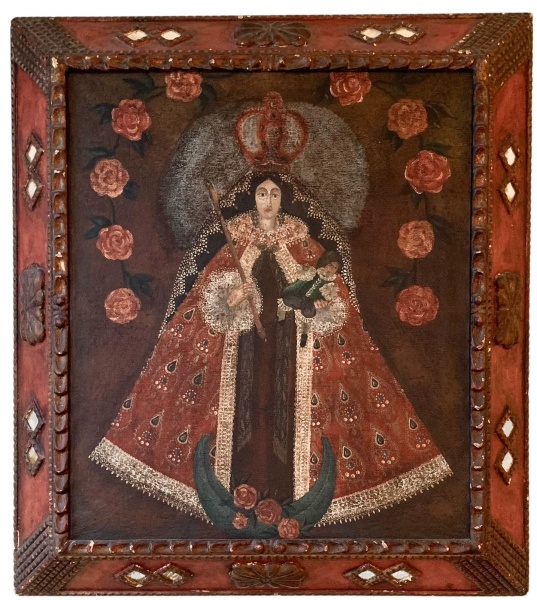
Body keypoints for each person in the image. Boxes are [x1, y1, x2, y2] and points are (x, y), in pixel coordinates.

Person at [91, 169, 452, 527]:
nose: (268, 200)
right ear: (252, 198)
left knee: (285, 411)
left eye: (274, 194)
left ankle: (288, 495)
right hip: (242, 351)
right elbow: (208, 304)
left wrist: (314, 303)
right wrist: (233, 297)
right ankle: (239, 495)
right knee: (247, 412)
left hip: (290, 351)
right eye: (262, 193)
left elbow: (327, 294)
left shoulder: (302, 243)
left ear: (283, 199)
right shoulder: (235, 241)